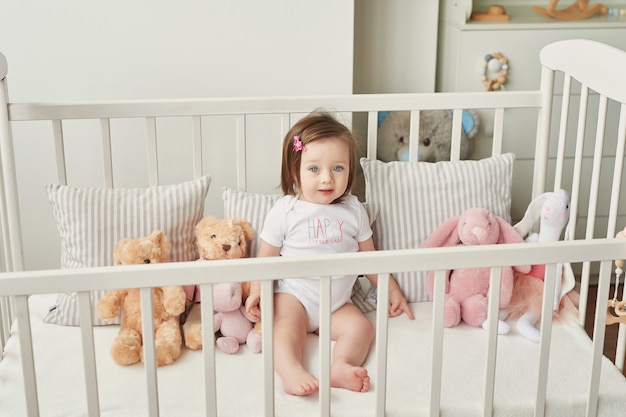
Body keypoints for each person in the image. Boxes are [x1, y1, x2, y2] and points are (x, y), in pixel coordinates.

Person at [244, 111, 414, 396]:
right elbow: (266, 260)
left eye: (338, 168)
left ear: (349, 171)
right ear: (294, 170)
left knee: (362, 328)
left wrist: (390, 288)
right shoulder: (285, 211)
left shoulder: (353, 210)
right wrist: (256, 292)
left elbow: (368, 258)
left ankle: (341, 366)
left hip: (336, 304)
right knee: (284, 332)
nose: (327, 179)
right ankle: (290, 371)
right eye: (314, 169)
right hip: (294, 297)